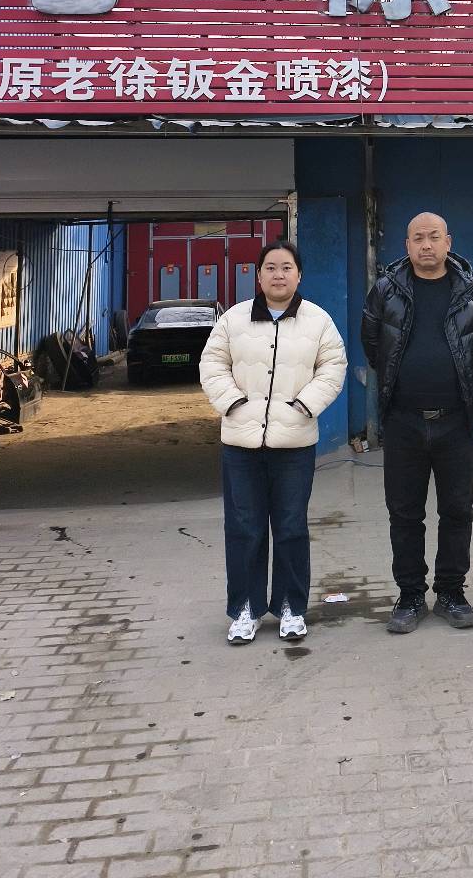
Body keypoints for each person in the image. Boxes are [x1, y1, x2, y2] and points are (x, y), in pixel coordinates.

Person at [200, 240, 347, 645]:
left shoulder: (318, 321)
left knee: (291, 527)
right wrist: (233, 403)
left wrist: (304, 406)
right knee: (244, 528)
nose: (278, 275)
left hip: (294, 444)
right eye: (270, 267)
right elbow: (212, 364)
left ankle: (290, 607)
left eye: (286, 267)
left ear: (299, 275)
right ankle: (245, 610)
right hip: (240, 445)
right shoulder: (234, 319)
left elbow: (333, 367)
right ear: (259, 275)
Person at [361, 212, 473, 634]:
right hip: (403, 422)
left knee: (457, 511)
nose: (426, 245)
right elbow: (373, 345)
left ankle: (452, 592)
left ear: (447, 242)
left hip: (455, 422)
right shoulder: (385, 291)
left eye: (433, 237)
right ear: (407, 245)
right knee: (404, 513)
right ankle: (411, 595)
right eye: (417, 238)